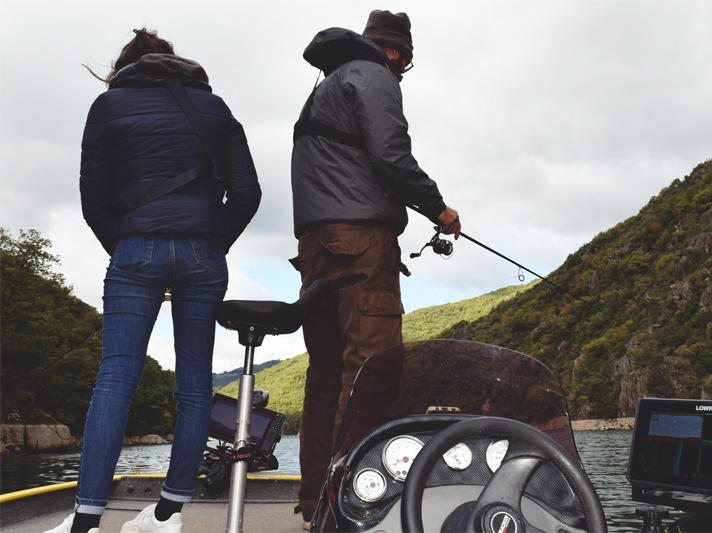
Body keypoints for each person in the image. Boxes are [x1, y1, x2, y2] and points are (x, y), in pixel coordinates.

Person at [46, 29, 261, 533]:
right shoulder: (216, 108)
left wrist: (130, 251)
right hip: (203, 252)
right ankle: (166, 514)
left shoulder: (108, 107)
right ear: (174, 62)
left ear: (127, 66)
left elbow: (93, 201)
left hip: (133, 248)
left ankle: (86, 521)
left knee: (115, 379)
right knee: (193, 387)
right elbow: (247, 193)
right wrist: (209, 245)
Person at [289, 10, 460, 528]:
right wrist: (439, 209)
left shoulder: (327, 84)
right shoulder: (375, 76)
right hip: (362, 242)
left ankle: (315, 504)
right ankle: (351, 507)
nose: (403, 71)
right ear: (395, 52)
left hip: (315, 244)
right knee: (370, 373)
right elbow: (391, 155)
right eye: (405, 61)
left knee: (324, 377)